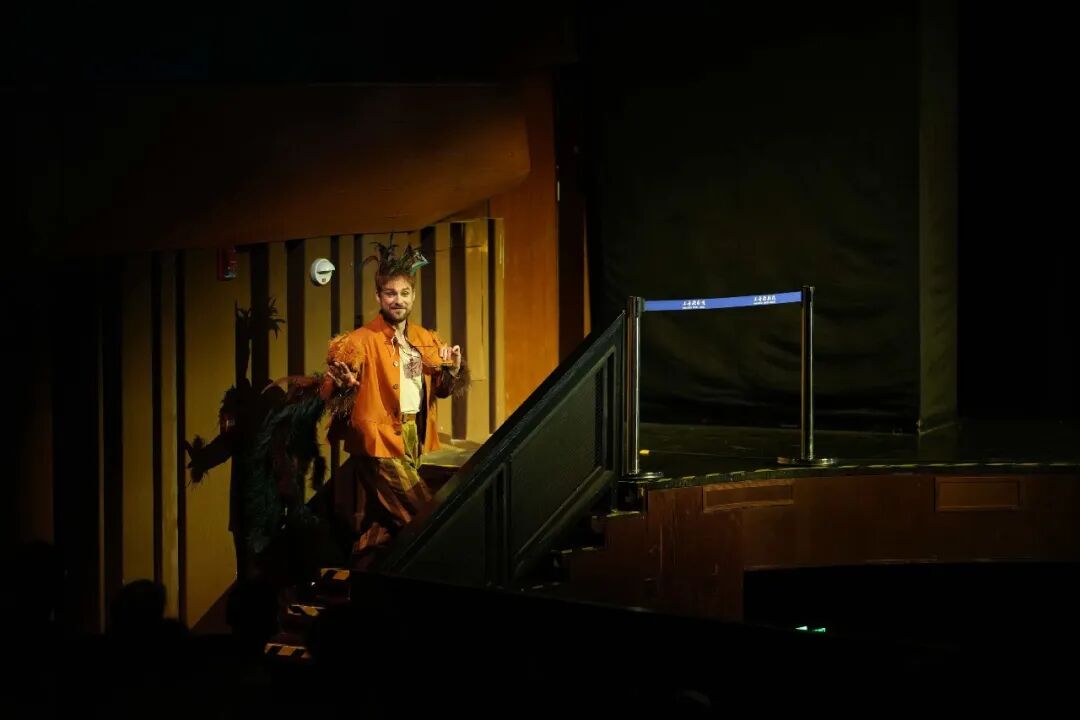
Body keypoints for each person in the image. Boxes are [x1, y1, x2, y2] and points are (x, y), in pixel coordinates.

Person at [321, 240, 468, 568]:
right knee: (425, 516)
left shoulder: (424, 338)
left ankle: (362, 574)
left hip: (412, 435)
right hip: (378, 441)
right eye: (390, 293)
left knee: (386, 523)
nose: (397, 300)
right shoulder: (359, 340)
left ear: (413, 297)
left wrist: (453, 372)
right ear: (378, 297)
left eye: (404, 293)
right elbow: (330, 393)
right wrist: (344, 387)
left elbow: (442, 391)